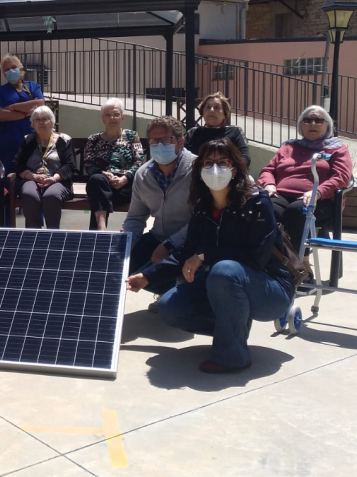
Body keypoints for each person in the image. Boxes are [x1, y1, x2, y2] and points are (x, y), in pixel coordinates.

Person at [152, 139, 294, 373]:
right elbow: (185, 253)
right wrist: (145, 277)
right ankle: (233, 326)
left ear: (235, 168)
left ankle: (232, 356)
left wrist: (205, 256)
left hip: (271, 290)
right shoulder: (202, 208)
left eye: (222, 162)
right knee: (170, 307)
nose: (214, 168)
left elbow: (256, 257)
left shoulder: (257, 203)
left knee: (224, 270)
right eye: (207, 163)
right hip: (225, 287)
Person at [258, 104, 353, 248]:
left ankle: (302, 263)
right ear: (301, 126)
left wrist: (318, 192)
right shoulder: (288, 147)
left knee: (297, 211)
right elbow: (268, 170)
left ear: (327, 126)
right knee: (265, 207)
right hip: (282, 195)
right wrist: (269, 184)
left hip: (321, 199)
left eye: (318, 120)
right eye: (307, 120)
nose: (312, 124)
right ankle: (274, 258)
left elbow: (342, 177)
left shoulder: (337, 148)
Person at [123, 116, 196, 297]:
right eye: (154, 141)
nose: (159, 145)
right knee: (125, 267)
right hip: (159, 237)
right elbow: (135, 217)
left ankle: (184, 291)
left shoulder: (198, 170)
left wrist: (170, 246)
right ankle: (169, 291)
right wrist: (125, 246)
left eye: (165, 140)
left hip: (192, 242)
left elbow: (203, 219)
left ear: (180, 142)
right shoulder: (143, 175)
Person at [84, 98, 144, 231]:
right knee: (96, 180)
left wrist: (125, 178)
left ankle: (100, 234)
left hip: (126, 186)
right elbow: (88, 164)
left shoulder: (131, 136)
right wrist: (103, 173)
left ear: (122, 117)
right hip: (102, 183)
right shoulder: (93, 139)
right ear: (103, 119)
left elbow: (139, 161)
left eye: (116, 114)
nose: (112, 118)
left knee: (99, 196)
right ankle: (102, 228)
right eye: (108, 115)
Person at [12, 106, 75, 229]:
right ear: (33, 124)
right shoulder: (28, 140)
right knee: (30, 194)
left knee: (51, 196)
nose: (41, 122)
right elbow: (17, 164)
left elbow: (70, 166)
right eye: (37, 119)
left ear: (52, 121)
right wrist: (32, 176)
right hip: (32, 179)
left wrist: (53, 178)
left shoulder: (64, 140)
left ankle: (52, 234)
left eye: (45, 119)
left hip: (58, 180)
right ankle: (33, 235)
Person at [0, 54, 45, 173]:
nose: (10, 71)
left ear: (21, 68)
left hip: (32, 141)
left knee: (33, 177)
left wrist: (12, 107)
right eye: (6, 69)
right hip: (9, 143)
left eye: (13, 67)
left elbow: (40, 105)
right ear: (3, 74)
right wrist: (25, 113)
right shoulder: (0, 91)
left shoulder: (33, 86)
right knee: (9, 180)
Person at [183, 92, 251, 166]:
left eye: (217, 107)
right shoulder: (193, 133)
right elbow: (181, 155)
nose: (211, 110)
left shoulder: (235, 132)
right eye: (208, 107)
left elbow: (245, 157)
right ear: (202, 112)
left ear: (225, 114)